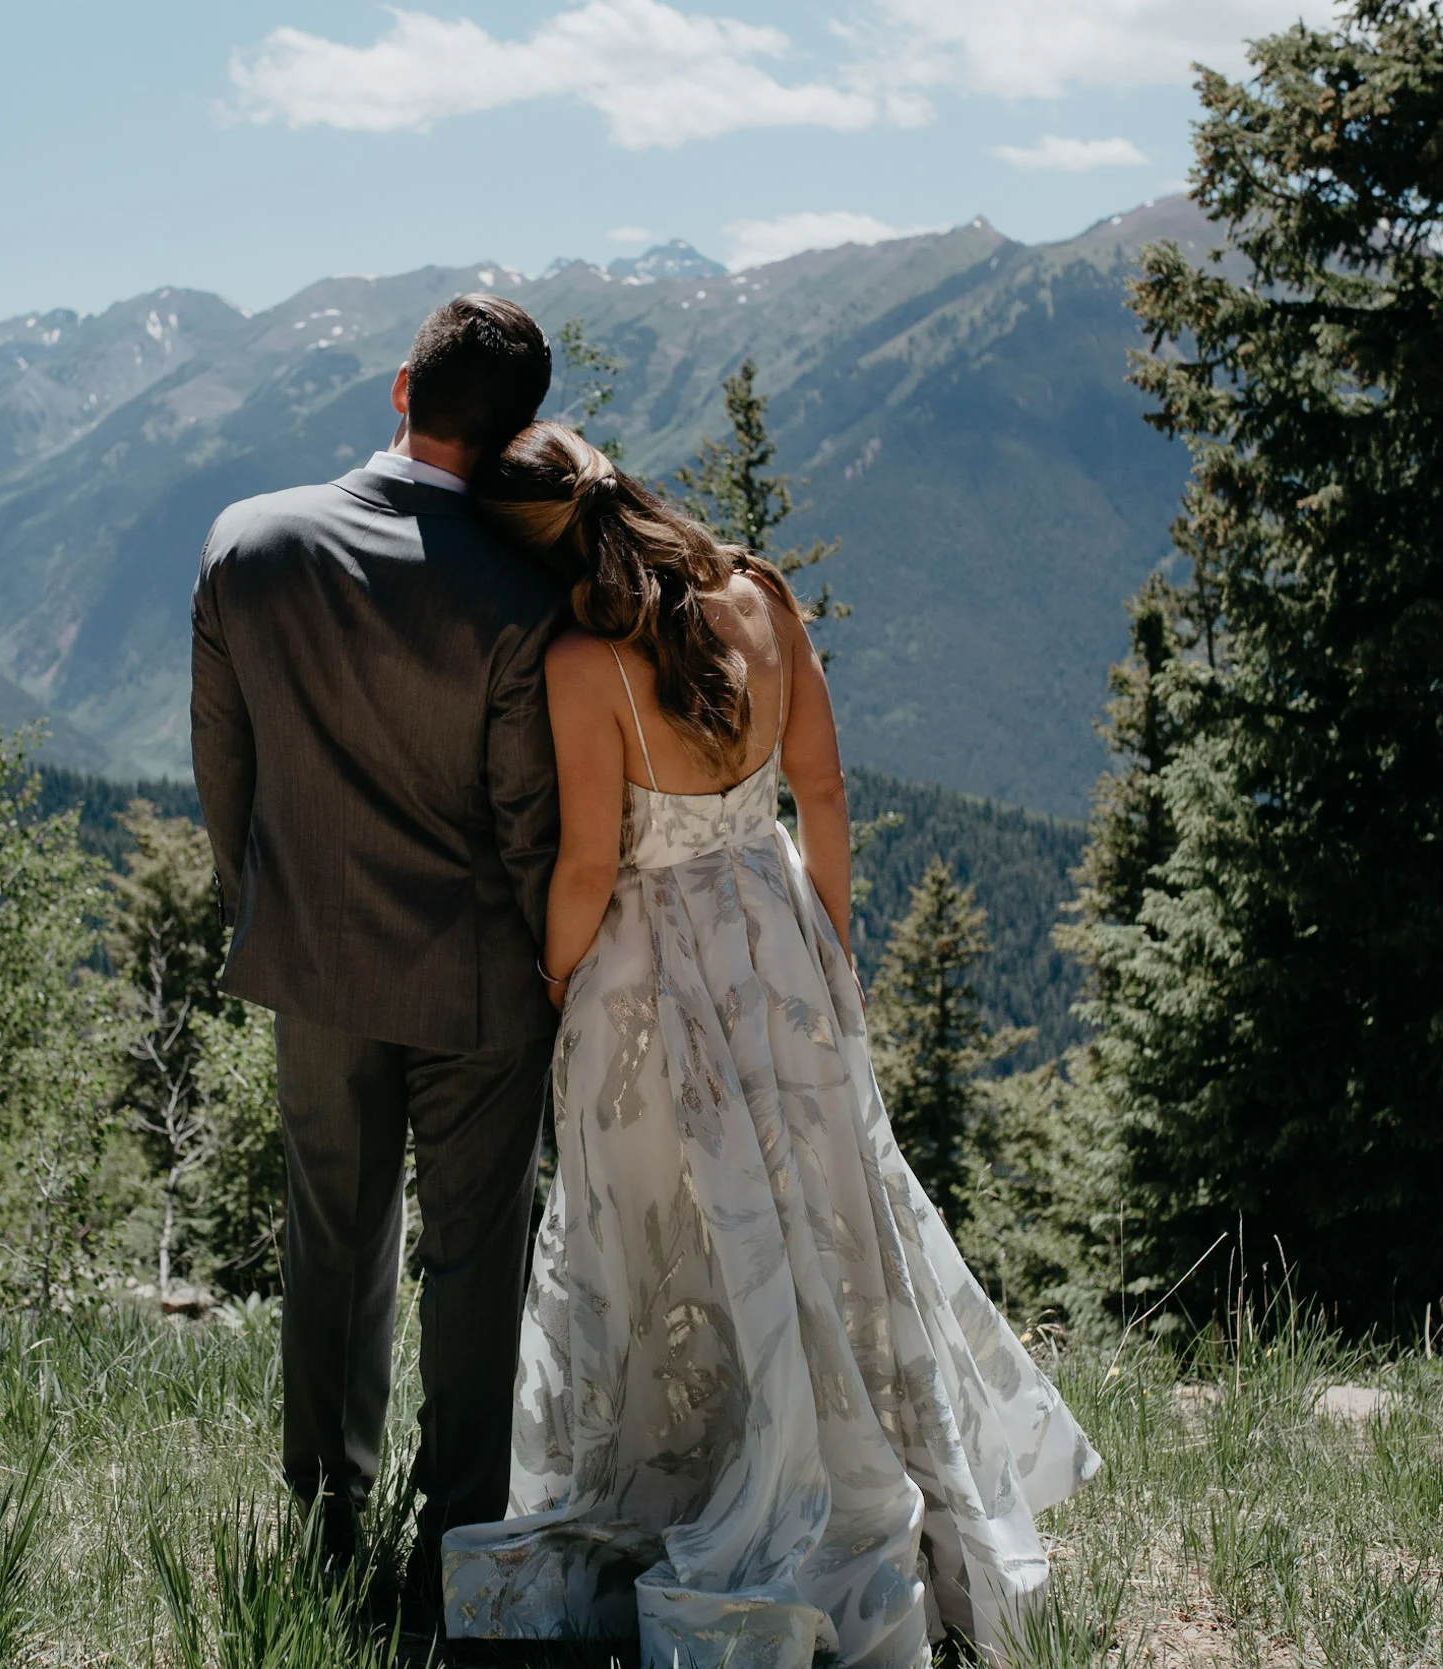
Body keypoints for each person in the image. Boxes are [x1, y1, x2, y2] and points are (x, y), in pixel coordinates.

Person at [442, 422, 1102, 1669]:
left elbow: (588, 862)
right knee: (824, 1208)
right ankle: (875, 1464)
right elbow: (828, 793)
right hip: (777, 928)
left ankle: (702, 1467)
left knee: (673, 1229)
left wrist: (556, 977)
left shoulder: (585, 663)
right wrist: (828, 953)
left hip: (655, 964)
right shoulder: (759, 592)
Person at [188, 295, 566, 1622]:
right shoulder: (525, 595)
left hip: (316, 954)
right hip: (480, 981)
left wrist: (275, 907)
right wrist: (554, 972)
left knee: (331, 1238)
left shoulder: (249, 544)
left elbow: (224, 779)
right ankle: (461, 1550)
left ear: (402, 388)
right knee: (478, 1263)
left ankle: (324, 1524)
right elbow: (531, 826)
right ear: (516, 430)